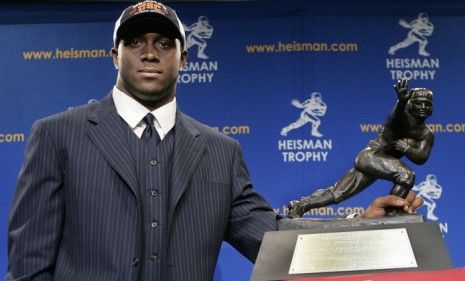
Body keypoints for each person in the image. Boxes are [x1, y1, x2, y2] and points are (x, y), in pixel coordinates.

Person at [6, 1, 423, 281]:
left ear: (184, 59)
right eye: (135, 42)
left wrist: (363, 227)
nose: (150, 53)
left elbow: (277, 245)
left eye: (164, 44)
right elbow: (29, 267)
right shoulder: (58, 135)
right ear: (114, 56)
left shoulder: (221, 153)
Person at [288, 79, 433, 218]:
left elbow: (421, 157)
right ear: (410, 104)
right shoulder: (402, 118)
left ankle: (301, 205)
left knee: (338, 193)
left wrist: (407, 148)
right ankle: (392, 214)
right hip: (371, 156)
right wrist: (401, 101)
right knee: (406, 175)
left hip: (381, 164)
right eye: (419, 104)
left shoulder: (426, 134)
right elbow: (396, 116)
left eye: (427, 105)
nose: (423, 108)